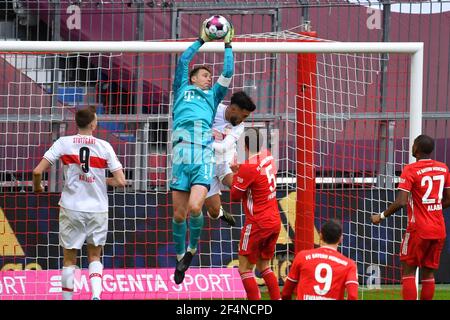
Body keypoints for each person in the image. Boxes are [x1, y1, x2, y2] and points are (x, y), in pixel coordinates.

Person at [32, 105, 126, 300]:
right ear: (93, 124)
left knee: (69, 259)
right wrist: (102, 180)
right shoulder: (104, 146)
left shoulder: (63, 143)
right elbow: (121, 181)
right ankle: (96, 296)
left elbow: (37, 172)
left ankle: (68, 299)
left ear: (77, 123)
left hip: (71, 207)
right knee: (94, 256)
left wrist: (38, 187)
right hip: (97, 209)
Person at [170, 19, 234, 285]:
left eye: (210, 76)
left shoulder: (213, 96)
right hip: (180, 154)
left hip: (202, 154)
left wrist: (228, 43)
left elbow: (227, 71)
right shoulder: (182, 88)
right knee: (178, 215)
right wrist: (201, 41)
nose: (210, 79)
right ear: (194, 77)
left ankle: (192, 250)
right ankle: (179, 257)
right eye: (205, 75)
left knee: (197, 207)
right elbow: (183, 61)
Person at [371, 134, 450, 300]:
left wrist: (381, 216)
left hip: (418, 230)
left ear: (417, 149)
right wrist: (431, 208)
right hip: (438, 229)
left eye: (413, 144)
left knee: (409, 271)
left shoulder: (410, 169)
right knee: (428, 273)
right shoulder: (443, 168)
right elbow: (449, 198)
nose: (412, 147)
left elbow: (401, 201)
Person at [230, 128, 281, 300]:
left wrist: (236, 173)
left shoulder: (248, 168)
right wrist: (241, 170)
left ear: (244, 146)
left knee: (244, 268)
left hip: (257, 222)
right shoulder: (268, 155)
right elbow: (257, 175)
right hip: (274, 220)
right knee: (264, 265)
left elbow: (235, 196)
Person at [205, 91, 256, 227]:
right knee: (214, 212)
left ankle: (256, 221)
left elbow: (223, 147)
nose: (243, 120)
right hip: (205, 166)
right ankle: (221, 213)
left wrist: (202, 142)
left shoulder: (240, 126)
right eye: (243, 116)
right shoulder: (212, 109)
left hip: (225, 162)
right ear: (233, 109)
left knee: (241, 189)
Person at [281, 219, 359, 300]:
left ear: (321, 236)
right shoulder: (349, 264)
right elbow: (353, 296)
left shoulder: (302, 256)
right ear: (341, 238)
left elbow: (286, 293)